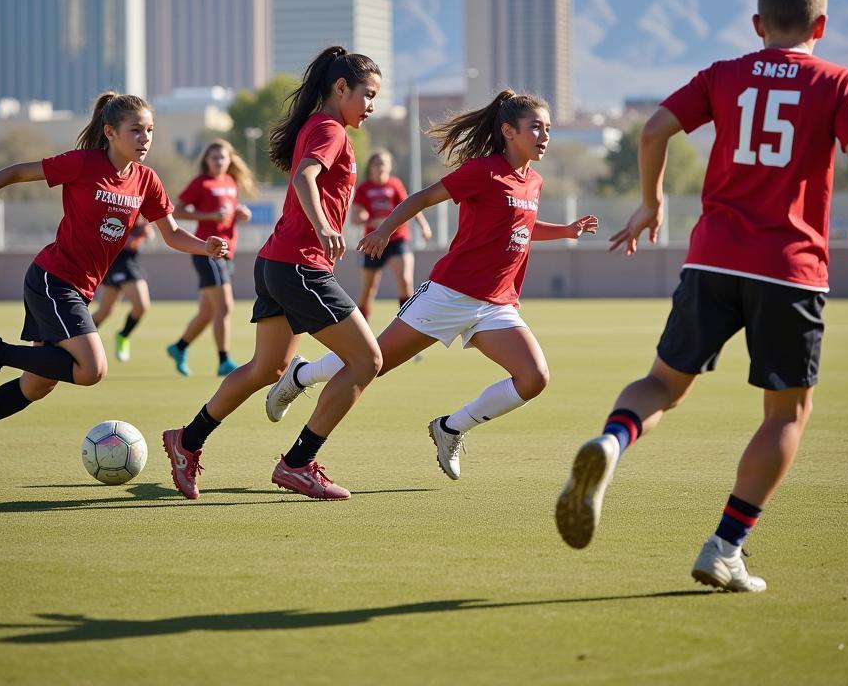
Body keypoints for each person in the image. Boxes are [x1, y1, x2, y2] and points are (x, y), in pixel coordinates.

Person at [555, 0, 848, 593]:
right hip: (790, 268)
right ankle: (726, 546)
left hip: (712, 259)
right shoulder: (839, 80)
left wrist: (652, 203)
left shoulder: (725, 73)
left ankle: (611, 441)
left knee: (661, 382)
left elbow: (654, 129)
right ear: (820, 25)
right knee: (787, 412)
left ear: (759, 25)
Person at [264, 89, 599, 481]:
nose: (544, 136)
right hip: (448, 295)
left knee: (534, 379)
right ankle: (302, 375)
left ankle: (451, 427)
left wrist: (566, 231)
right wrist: (385, 231)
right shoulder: (483, 171)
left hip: (496, 305)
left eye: (548, 129)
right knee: (372, 364)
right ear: (508, 130)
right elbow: (422, 198)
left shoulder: (534, 181)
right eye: (535, 128)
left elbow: (521, 227)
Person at [0, 91, 229, 468]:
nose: (145, 139)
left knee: (38, 383)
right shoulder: (82, 164)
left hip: (78, 289)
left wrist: (206, 246)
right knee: (92, 370)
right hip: (52, 279)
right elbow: (16, 172)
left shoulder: (146, 180)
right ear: (110, 132)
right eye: (135, 130)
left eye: (150, 131)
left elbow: (171, 233)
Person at [162, 46, 382, 501]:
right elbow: (305, 176)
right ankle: (298, 464)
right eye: (368, 94)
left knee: (268, 367)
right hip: (300, 265)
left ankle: (187, 441)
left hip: (278, 262)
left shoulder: (322, 125)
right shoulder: (330, 128)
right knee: (368, 361)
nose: (372, 105)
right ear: (340, 88)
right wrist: (323, 226)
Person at [165, 140, 255, 377]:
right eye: (213, 157)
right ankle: (224, 360)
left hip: (227, 252)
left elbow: (227, 215)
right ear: (206, 160)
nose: (218, 161)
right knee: (224, 306)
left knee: (208, 312)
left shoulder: (230, 182)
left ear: (229, 160)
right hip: (207, 251)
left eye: (222, 157)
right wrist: (210, 215)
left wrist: (238, 214)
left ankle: (179, 347)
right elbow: (177, 210)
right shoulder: (200, 183)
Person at [351, 149, 432, 319]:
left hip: (397, 240)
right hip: (372, 242)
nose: (380, 167)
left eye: (384, 164)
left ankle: (407, 323)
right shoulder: (364, 188)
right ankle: (361, 329)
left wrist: (424, 226)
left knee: (405, 281)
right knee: (368, 291)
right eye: (377, 163)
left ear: (389, 167)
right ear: (370, 167)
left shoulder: (395, 184)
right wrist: (368, 220)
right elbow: (355, 217)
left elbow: (411, 206)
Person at [91, 217, 153, 362]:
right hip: (116, 262)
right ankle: (75, 336)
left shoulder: (140, 216)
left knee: (107, 311)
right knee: (108, 311)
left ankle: (123, 335)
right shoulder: (119, 216)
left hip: (130, 262)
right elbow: (128, 243)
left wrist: (145, 231)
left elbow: (150, 236)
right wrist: (139, 235)